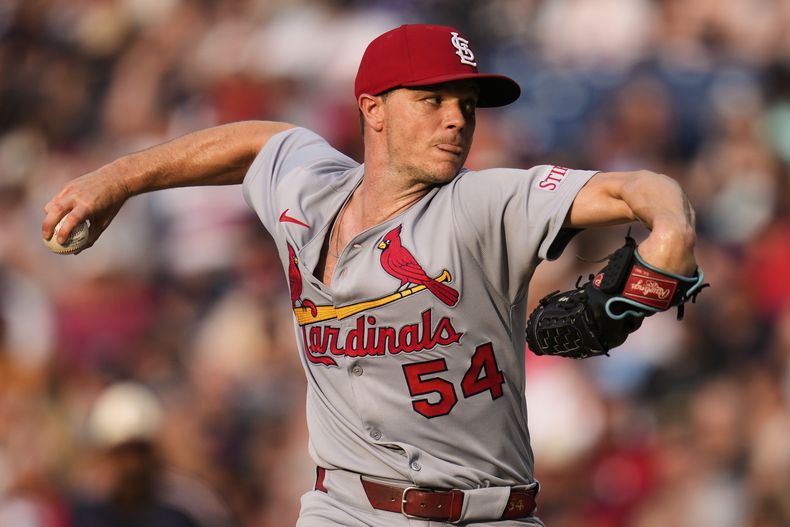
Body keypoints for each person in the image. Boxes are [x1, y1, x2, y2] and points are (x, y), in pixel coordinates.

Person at [43, 24, 698, 526]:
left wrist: (671, 232)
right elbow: (255, 144)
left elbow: (636, 187)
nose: (457, 119)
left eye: (467, 103)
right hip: (346, 507)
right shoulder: (312, 191)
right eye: (433, 99)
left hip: (490, 511)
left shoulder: (482, 203)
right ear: (373, 108)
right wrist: (117, 180)